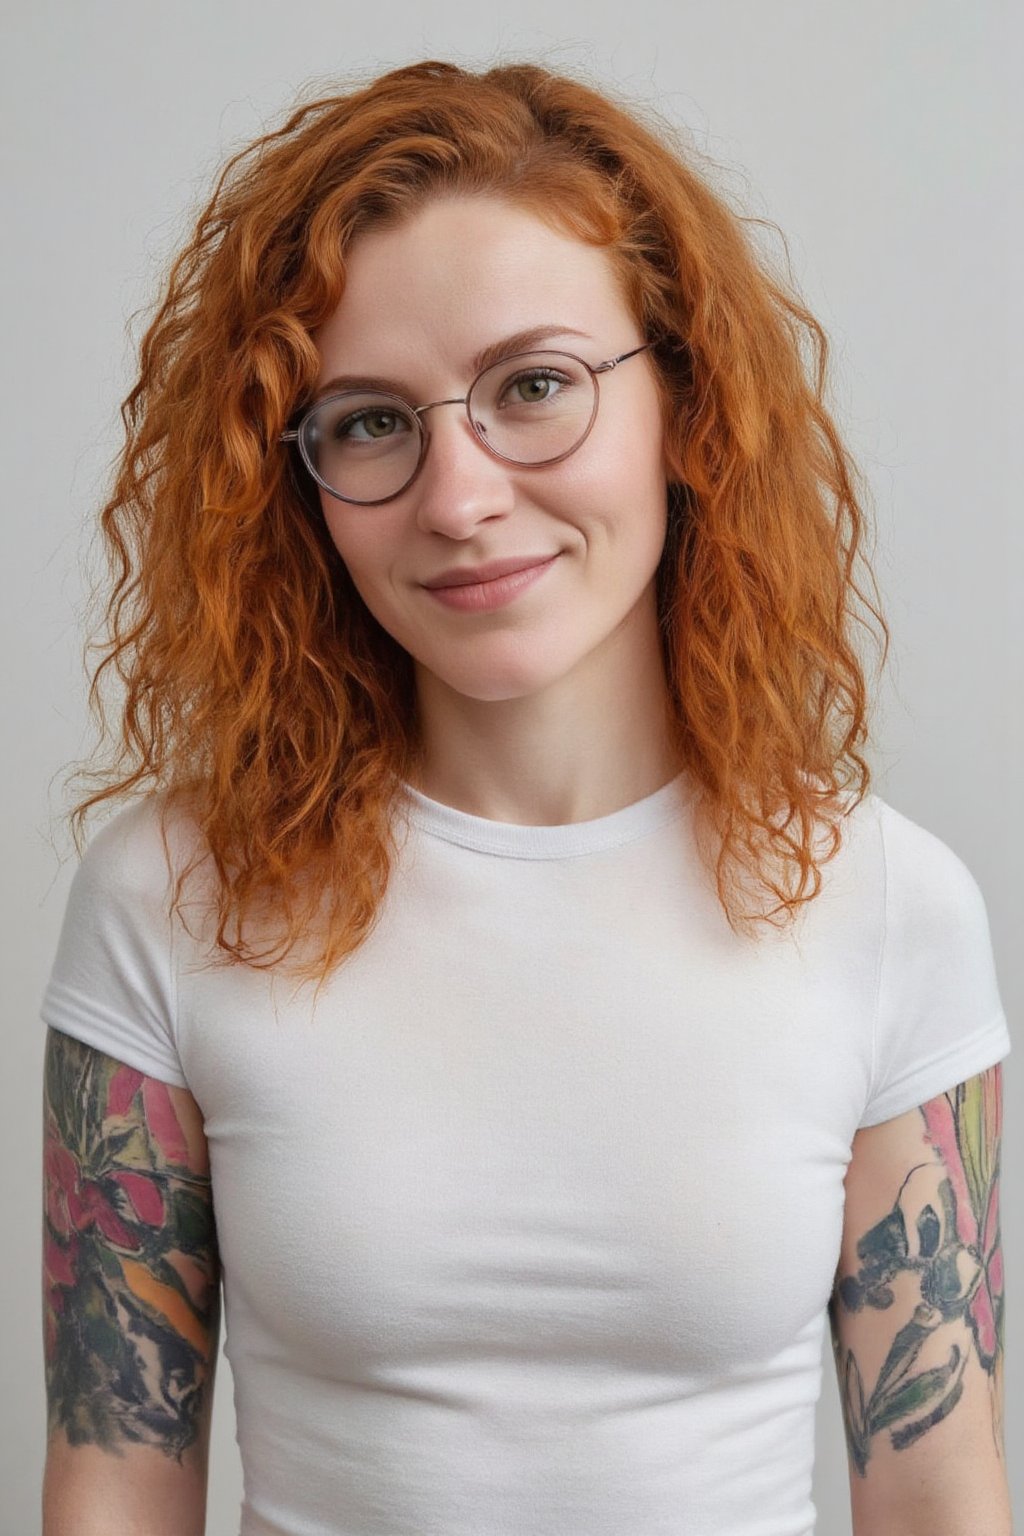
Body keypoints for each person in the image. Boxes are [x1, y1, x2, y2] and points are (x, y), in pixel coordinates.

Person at [39, 58, 1012, 1536]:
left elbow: (940, 1486)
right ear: (295, 480)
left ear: (684, 405)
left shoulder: (888, 905)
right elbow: (115, 1478)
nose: (458, 494)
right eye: (369, 421)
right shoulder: (168, 896)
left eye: (535, 387)